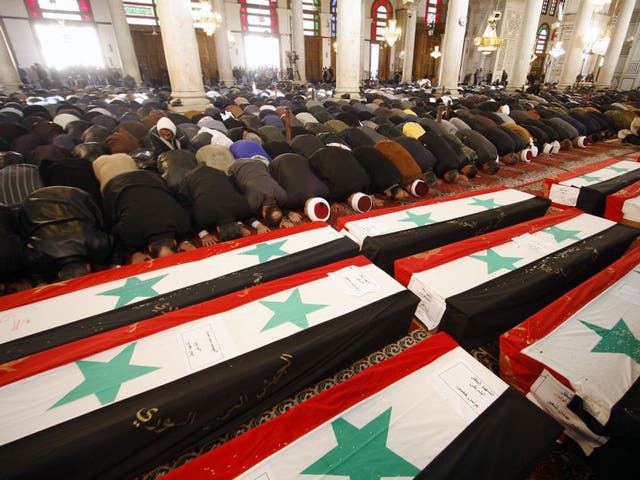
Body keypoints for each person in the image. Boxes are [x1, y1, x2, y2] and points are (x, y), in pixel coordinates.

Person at [94, 154, 194, 259]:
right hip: (113, 182)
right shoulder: (129, 235)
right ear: (149, 249)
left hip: (146, 177)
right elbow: (111, 226)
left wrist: (185, 240)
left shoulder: (182, 223)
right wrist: (134, 252)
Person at [20, 186, 113, 282]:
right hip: (73, 196)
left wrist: (39, 284)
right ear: (88, 267)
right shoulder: (97, 243)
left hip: (74, 197)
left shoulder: (98, 244)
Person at [177, 163, 254, 245]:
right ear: (217, 229)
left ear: (218, 229)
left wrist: (239, 225)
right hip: (191, 178)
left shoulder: (242, 208)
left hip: (217, 172)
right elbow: (190, 217)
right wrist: (204, 235)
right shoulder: (203, 217)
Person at [229, 157, 288, 230]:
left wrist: (284, 218)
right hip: (236, 166)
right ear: (263, 214)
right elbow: (244, 216)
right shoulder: (252, 203)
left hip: (258, 163)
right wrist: (259, 226)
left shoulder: (282, 196)